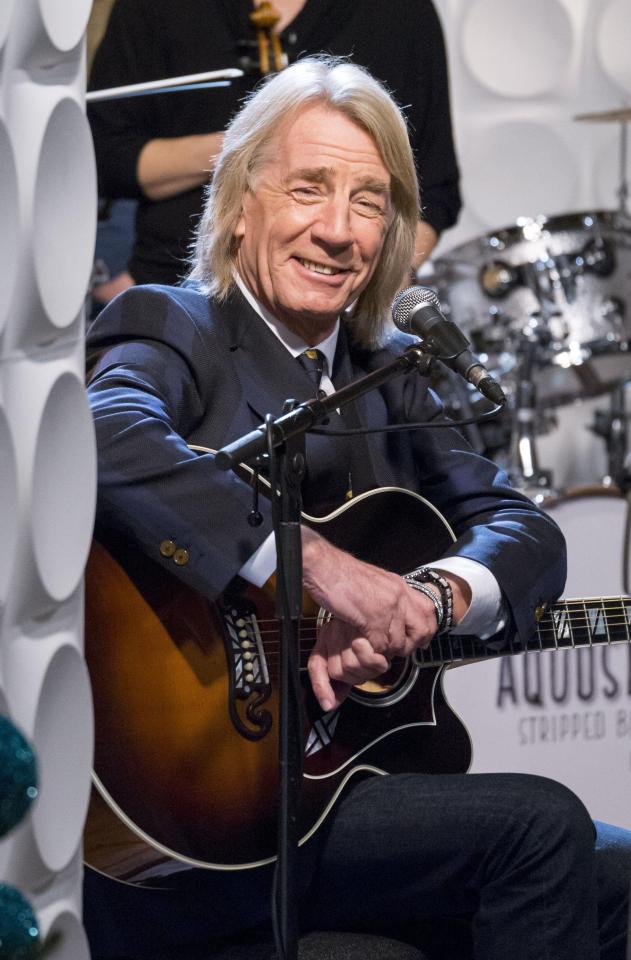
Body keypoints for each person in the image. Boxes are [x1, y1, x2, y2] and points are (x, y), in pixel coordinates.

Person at [84, 56, 630, 960]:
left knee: (615, 869)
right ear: (240, 204)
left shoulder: (393, 371)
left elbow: (523, 529)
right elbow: (105, 436)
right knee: (539, 824)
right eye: (308, 189)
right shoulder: (173, 324)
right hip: (203, 808)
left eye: (368, 203)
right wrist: (315, 568)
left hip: (337, 787)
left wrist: (434, 595)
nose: (337, 231)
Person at [86, 0, 460, 294]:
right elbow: (102, 154)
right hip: (173, 283)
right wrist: (249, 146)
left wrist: (381, 288)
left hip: (343, 304)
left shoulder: (402, 12)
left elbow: (435, 189)